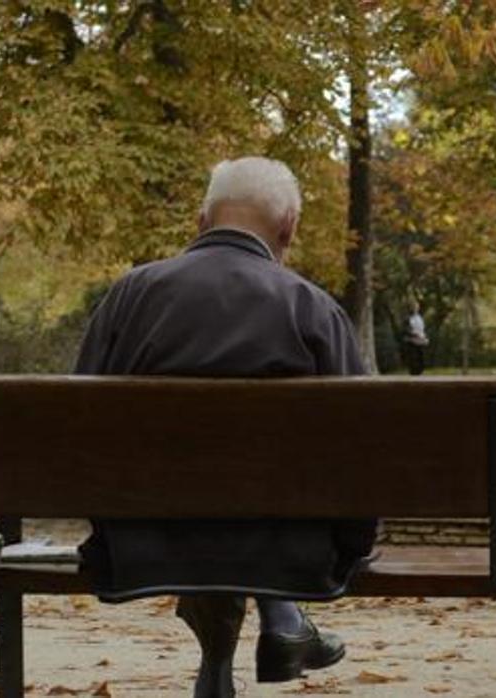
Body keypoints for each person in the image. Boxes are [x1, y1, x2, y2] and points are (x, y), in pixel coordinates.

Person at [73, 156, 376, 698]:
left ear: (200, 220)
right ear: (288, 228)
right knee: (247, 521)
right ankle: (283, 617)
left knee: (206, 517)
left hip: (144, 546)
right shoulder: (312, 310)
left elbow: (74, 428)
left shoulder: (129, 298)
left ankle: (225, 656)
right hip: (291, 552)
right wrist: (349, 548)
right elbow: (358, 454)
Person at [403, 302, 429, 375]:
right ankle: (414, 374)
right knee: (413, 359)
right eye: (414, 307)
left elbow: (422, 329)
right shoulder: (408, 318)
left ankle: (420, 372)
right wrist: (415, 334)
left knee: (421, 358)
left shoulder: (420, 318)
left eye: (416, 307)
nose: (415, 309)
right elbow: (406, 330)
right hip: (412, 341)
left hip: (420, 340)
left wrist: (425, 337)